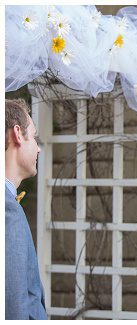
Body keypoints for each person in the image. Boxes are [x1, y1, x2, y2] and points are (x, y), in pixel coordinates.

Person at [5, 99, 48, 320]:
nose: (38, 148)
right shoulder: (7, 211)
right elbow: (14, 302)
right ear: (18, 134)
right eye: (34, 137)